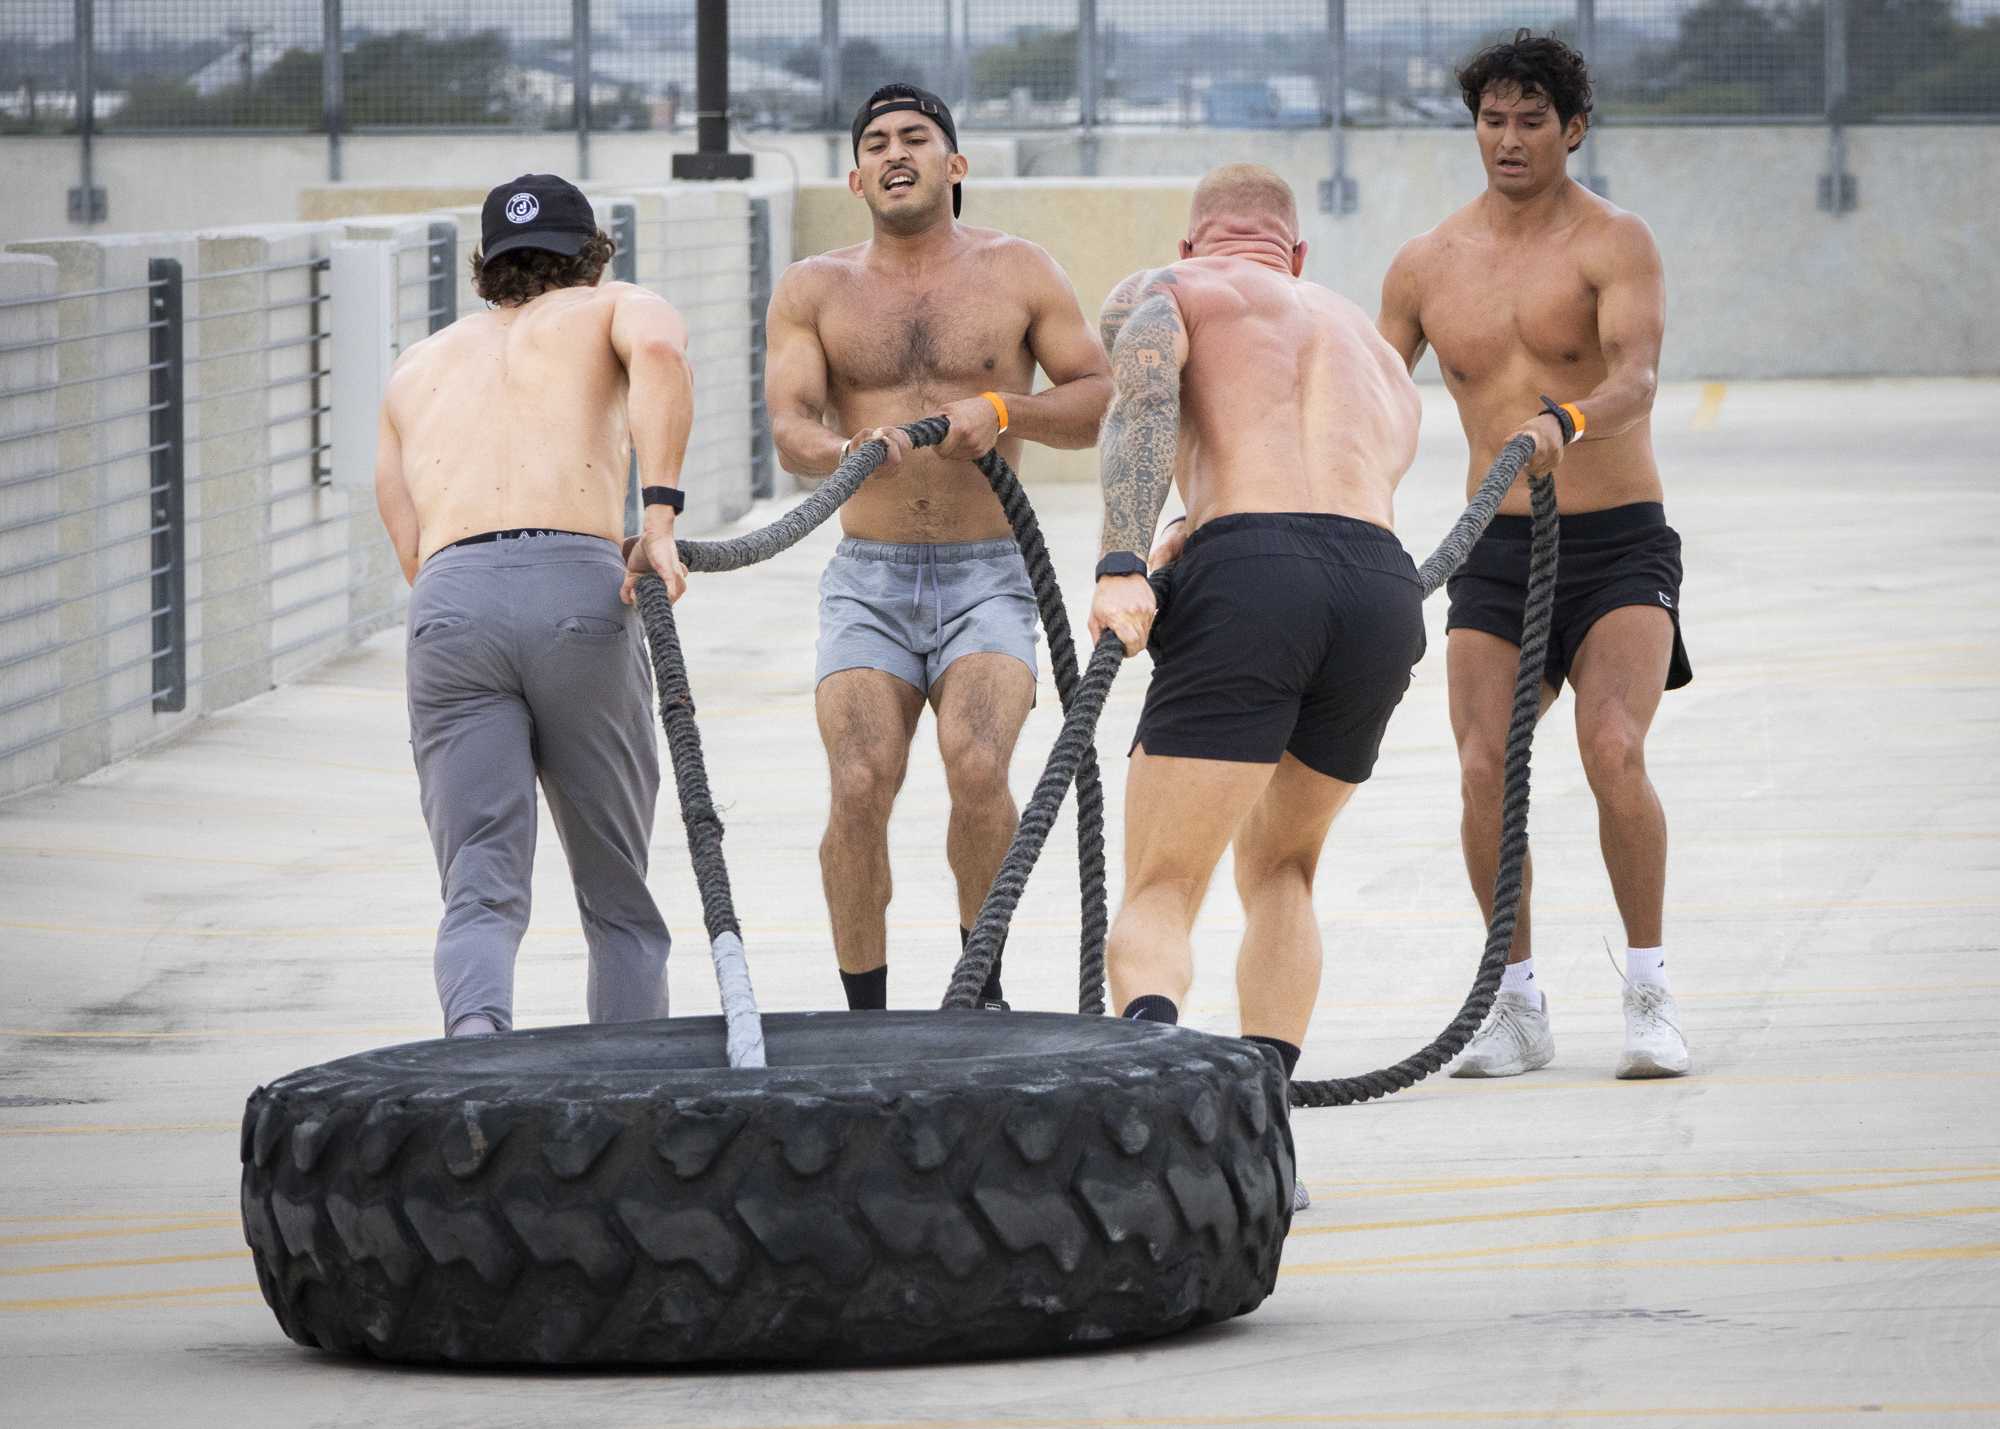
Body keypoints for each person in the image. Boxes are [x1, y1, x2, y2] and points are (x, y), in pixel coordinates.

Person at [1088, 164, 1425, 1208]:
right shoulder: (1372, 349)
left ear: (1195, 244)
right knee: (1282, 869)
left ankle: (1160, 1127)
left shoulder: (1176, 287)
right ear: (1299, 255)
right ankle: (1267, 1138)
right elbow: (1344, 480)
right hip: (1378, 585)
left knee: (1158, 887)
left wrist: (1121, 559)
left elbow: (1140, 390)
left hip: (1249, 573)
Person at [1376, 31, 1692, 1079]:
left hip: (1613, 542)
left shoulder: (1614, 241)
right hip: (1494, 551)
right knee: (1481, 768)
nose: (1506, 140)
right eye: (1490, 120)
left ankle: (1647, 990)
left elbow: (1636, 378)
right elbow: (1368, 401)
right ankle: (1513, 1005)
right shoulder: (1425, 263)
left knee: (1611, 747)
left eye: (1529, 121)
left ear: (1573, 129)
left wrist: (1568, 417)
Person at [764, 84, 1111, 1011]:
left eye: (915, 137)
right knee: (858, 780)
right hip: (867, 581)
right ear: (854, 175)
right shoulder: (814, 288)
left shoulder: (1019, 271)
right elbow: (790, 426)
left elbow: (1096, 397)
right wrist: (843, 455)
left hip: (989, 572)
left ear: (955, 165)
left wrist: (1004, 411)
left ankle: (978, 992)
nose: (894, 152)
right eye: (875, 142)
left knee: (979, 765)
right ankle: (864, 1015)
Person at [373, 172, 693, 1037]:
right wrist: (657, 518)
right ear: (590, 255)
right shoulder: (611, 306)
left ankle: (476, 1055)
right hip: (579, 588)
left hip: (451, 601)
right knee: (616, 887)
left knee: (478, 884)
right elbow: (662, 357)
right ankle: (625, 1093)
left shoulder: (417, 365)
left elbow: (408, 543)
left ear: (488, 265)